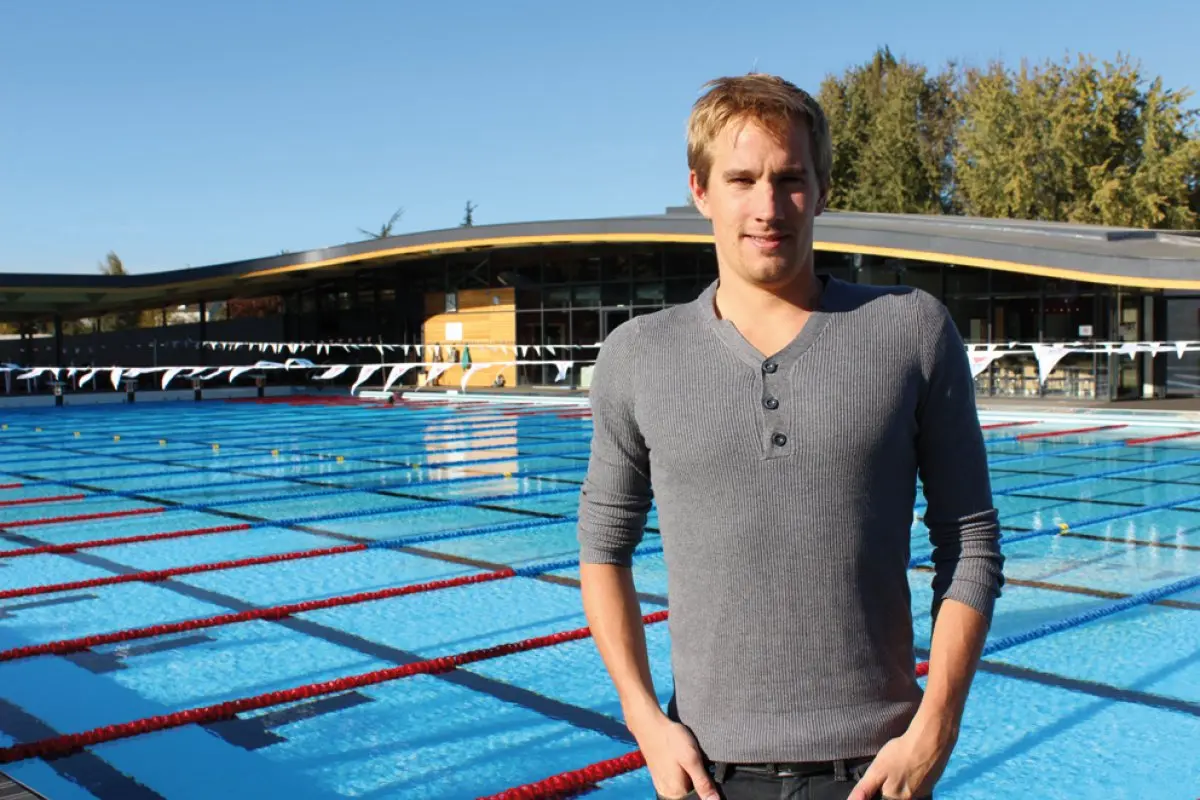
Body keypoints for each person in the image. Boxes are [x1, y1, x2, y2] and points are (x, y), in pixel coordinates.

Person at [577, 74, 1004, 800]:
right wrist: (644, 718)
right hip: (707, 772)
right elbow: (601, 547)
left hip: (877, 770)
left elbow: (969, 540)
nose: (768, 207)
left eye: (790, 179)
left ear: (823, 188)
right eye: (742, 179)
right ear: (700, 190)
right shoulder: (639, 355)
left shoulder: (909, 330)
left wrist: (937, 727)